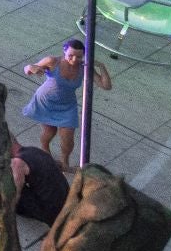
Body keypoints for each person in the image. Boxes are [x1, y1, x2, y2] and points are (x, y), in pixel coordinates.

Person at [19, 39, 112, 171]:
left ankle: (64, 163)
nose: (74, 59)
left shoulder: (84, 68)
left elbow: (106, 86)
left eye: (79, 57)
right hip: (46, 102)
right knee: (49, 131)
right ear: (64, 52)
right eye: (70, 55)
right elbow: (28, 69)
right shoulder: (53, 61)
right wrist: (32, 68)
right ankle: (45, 149)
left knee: (68, 140)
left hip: (67, 106)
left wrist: (101, 66)